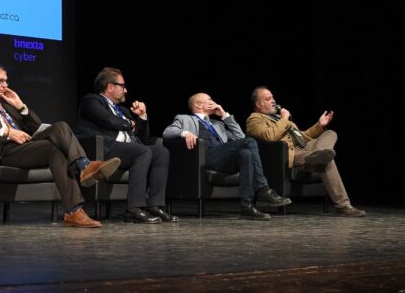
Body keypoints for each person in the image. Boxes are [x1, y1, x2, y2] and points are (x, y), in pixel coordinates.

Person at [0, 63, 121, 228]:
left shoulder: (8, 105)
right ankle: (79, 190)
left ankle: (81, 180)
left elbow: (35, 127)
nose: (5, 85)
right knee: (53, 149)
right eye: (0, 81)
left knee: (60, 129)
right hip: (6, 150)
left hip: (26, 145)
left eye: (6, 81)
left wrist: (21, 107)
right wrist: (7, 132)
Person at [162, 93, 291, 220]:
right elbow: (167, 132)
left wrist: (224, 115)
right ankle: (263, 189)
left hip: (220, 158)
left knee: (245, 154)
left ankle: (246, 206)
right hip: (203, 156)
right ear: (198, 105)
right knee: (249, 143)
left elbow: (241, 137)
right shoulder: (184, 119)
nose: (214, 102)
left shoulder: (218, 124)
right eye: (210, 99)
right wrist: (185, 133)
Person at [75, 67, 177, 223]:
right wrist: (129, 123)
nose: (126, 90)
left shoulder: (123, 111)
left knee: (161, 152)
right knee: (142, 152)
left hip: (128, 149)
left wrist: (142, 117)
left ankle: (154, 205)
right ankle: (133, 209)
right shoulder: (91, 101)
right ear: (110, 86)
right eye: (122, 86)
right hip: (106, 149)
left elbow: (142, 138)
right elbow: (108, 120)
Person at [245, 87, 366, 217]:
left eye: (273, 98)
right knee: (326, 160)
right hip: (291, 154)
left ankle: (318, 154)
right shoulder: (254, 119)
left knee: (330, 133)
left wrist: (319, 125)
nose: (273, 101)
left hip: (305, 149)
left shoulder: (279, 118)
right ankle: (343, 206)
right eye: (268, 99)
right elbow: (269, 135)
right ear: (258, 104)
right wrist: (284, 119)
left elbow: (302, 137)